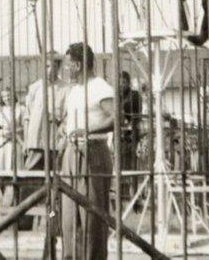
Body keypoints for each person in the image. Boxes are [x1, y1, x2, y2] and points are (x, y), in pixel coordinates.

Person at [60, 42, 115, 260]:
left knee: (92, 217)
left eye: (68, 66)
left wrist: (88, 130)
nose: (65, 70)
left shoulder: (100, 87)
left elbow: (117, 118)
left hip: (93, 152)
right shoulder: (75, 91)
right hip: (71, 153)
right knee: (70, 218)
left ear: (78, 65)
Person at [23, 55, 68, 170]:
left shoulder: (65, 89)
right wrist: (26, 141)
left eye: (54, 67)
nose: (50, 71)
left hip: (54, 143)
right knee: (31, 178)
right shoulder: (35, 87)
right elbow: (27, 117)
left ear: (58, 68)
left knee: (55, 178)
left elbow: (67, 117)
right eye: (47, 66)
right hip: (35, 142)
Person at [118, 71, 142, 200]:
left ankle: (134, 192)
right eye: (120, 82)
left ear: (128, 83)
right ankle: (123, 192)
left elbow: (137, 115)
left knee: (131, 163)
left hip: (131, 133)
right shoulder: (116, 96)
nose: (122, 85)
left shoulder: (134, 95)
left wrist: (130, 125)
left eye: (124, 82)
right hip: (119, 133)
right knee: (120, 163)